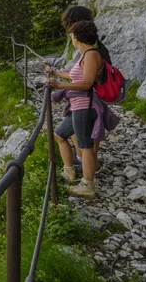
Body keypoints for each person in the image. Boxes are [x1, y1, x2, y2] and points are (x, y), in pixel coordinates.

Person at [45, 20, 105, 200]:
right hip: (79, 106)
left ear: (77, 37)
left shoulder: (92, 55)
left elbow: (87, 82)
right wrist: (55, 73)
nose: (71, 38)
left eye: (72, 34)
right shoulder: (85, 54)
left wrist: (58, 84)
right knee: (60, 134)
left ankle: (87, 185)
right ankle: (69, 172)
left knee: (85, 145)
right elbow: (75, 75)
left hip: (85, 106)